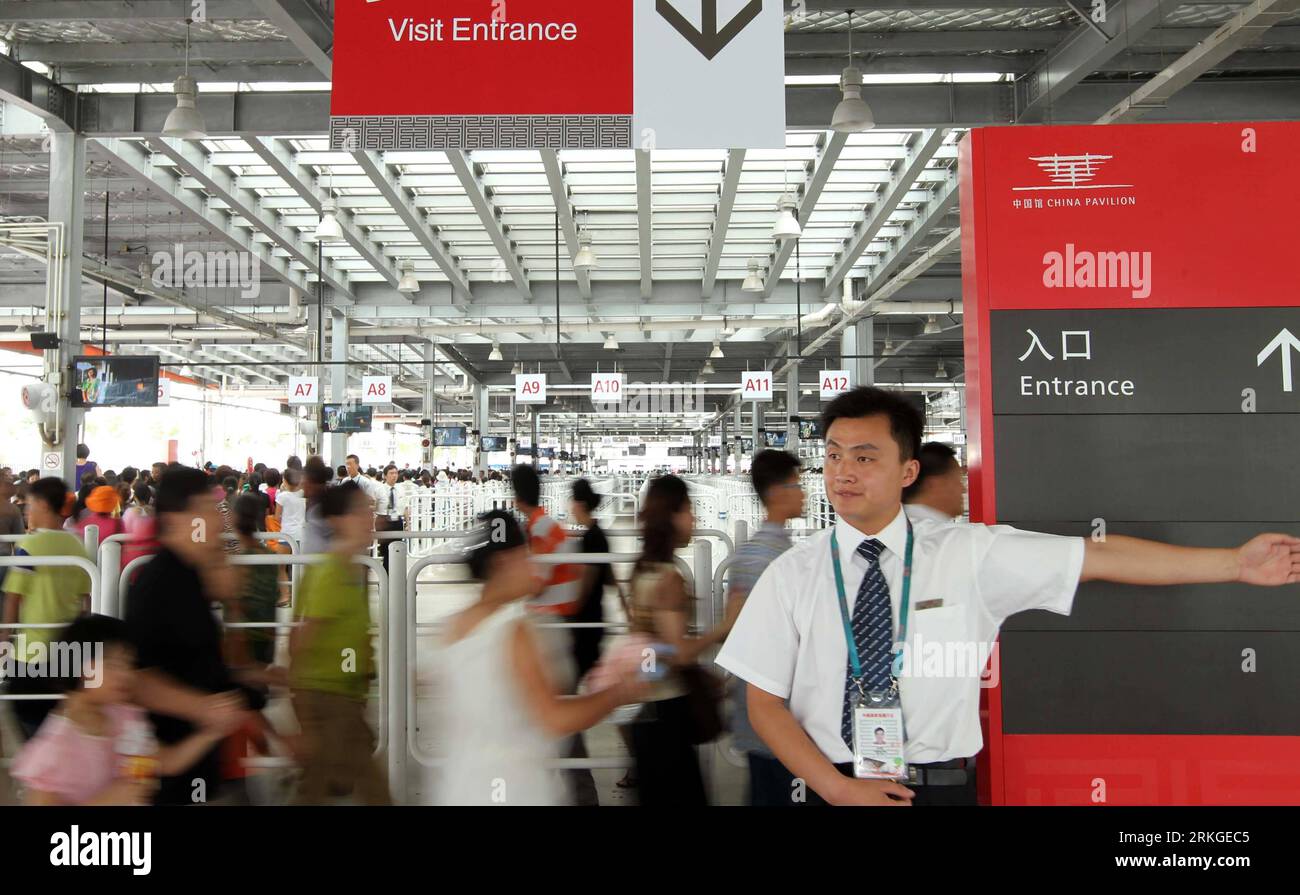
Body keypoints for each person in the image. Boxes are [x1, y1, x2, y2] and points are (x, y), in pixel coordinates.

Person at [717, 386, 1300, 807]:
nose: (843, 471)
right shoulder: (794, 573)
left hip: (938, 788)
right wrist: (836, 788)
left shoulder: (970, 552)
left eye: (865, 457)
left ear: (907, 470)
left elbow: (1096, 557)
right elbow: (764, 700)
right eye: (835, 455)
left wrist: (1233, 564)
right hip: (830, 787)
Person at [433, 511, 643, 806]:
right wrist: (621, 692)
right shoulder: (512, 632)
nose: (532, 562)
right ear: (503, 562)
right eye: (525, 553)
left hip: (462, 788)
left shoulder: (453, 628)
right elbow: (554, 718)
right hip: (516, 789)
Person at [123, 467, 266, 805]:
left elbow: (191, 663)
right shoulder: (157, 583)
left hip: (202, 764)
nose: (220, 519)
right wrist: (207, 709)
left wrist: (247, 676)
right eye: (208, 508)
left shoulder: (191, 578)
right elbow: (138, 680)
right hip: (174, 770)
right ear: (176, 519)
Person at [11, 615, 237, 806]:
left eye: (127, 664)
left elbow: (168, 761)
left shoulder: (125, 717)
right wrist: (109, 800)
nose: (126, 674)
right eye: (112, 664)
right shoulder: (54, 750)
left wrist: (211, 732)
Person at [626, 475, 731, 806]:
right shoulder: (668, 576)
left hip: (649, 707)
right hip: (667, 714)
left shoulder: (643, 569)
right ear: (672, 516)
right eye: (689, 510)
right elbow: (679, 652)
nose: (694, 519)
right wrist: (724, 627)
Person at [289, 483, 389, 805]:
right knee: (365, 790)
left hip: (344, 699)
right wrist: (305, 721)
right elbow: (300, 643)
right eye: (361, 511)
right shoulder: (331, 573)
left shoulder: (348, 569)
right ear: (338, 521)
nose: (369, 518)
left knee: (322, 788)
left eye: (370, 510)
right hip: (329, 703)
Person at [724, 449, 804, 806]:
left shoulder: (770, 551)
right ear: (776, 493)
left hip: (766, 715)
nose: (803, 493)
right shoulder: (770, 558)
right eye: (796, 485)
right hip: (776, 715)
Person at [1, 478, 90, 738]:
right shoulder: (77, 546)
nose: (27, 512)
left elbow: (13, 597)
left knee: (25, 717)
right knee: (57, 721)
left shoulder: (30, 547)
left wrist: (4, 641)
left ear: (42, 504)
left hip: (30, 651)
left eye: (29, 505)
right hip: (68, 648)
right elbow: (86, 598)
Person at [231, 494, 281, 669]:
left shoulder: (235, 561)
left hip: (241, 639)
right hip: (266, 635)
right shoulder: (269, 557)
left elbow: (235, 602)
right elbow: (274, 595)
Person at [902, 441, 964, 524]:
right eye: (957, 481)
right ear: (936, 484)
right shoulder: (946, 533)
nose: (963, 489)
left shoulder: (891, 526)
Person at [374, 464, 409, 572]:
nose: (394, 476)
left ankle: (392, 577)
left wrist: (408, 523)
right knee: (386, 552)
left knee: (396, 550)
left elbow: (405, 507)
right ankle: (386, 578)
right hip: (383, 520)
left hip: (397, 521)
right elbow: (373, 506)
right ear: (385, 475)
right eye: (391, 473)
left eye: (396, 473)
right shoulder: (379, 489)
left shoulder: (401, 489)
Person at [274, 467, 307, 547]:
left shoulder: (281, 496)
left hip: (286, 534)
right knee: (299, 559)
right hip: (302, 534)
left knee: (282, 559)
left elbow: (277, 518)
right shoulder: (303, 494)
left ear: (284, 480)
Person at [0, 474, 25, 555]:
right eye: (7, 484)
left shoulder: (12, 509)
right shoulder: (12, 509)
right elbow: (19, 539)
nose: (12, 486)